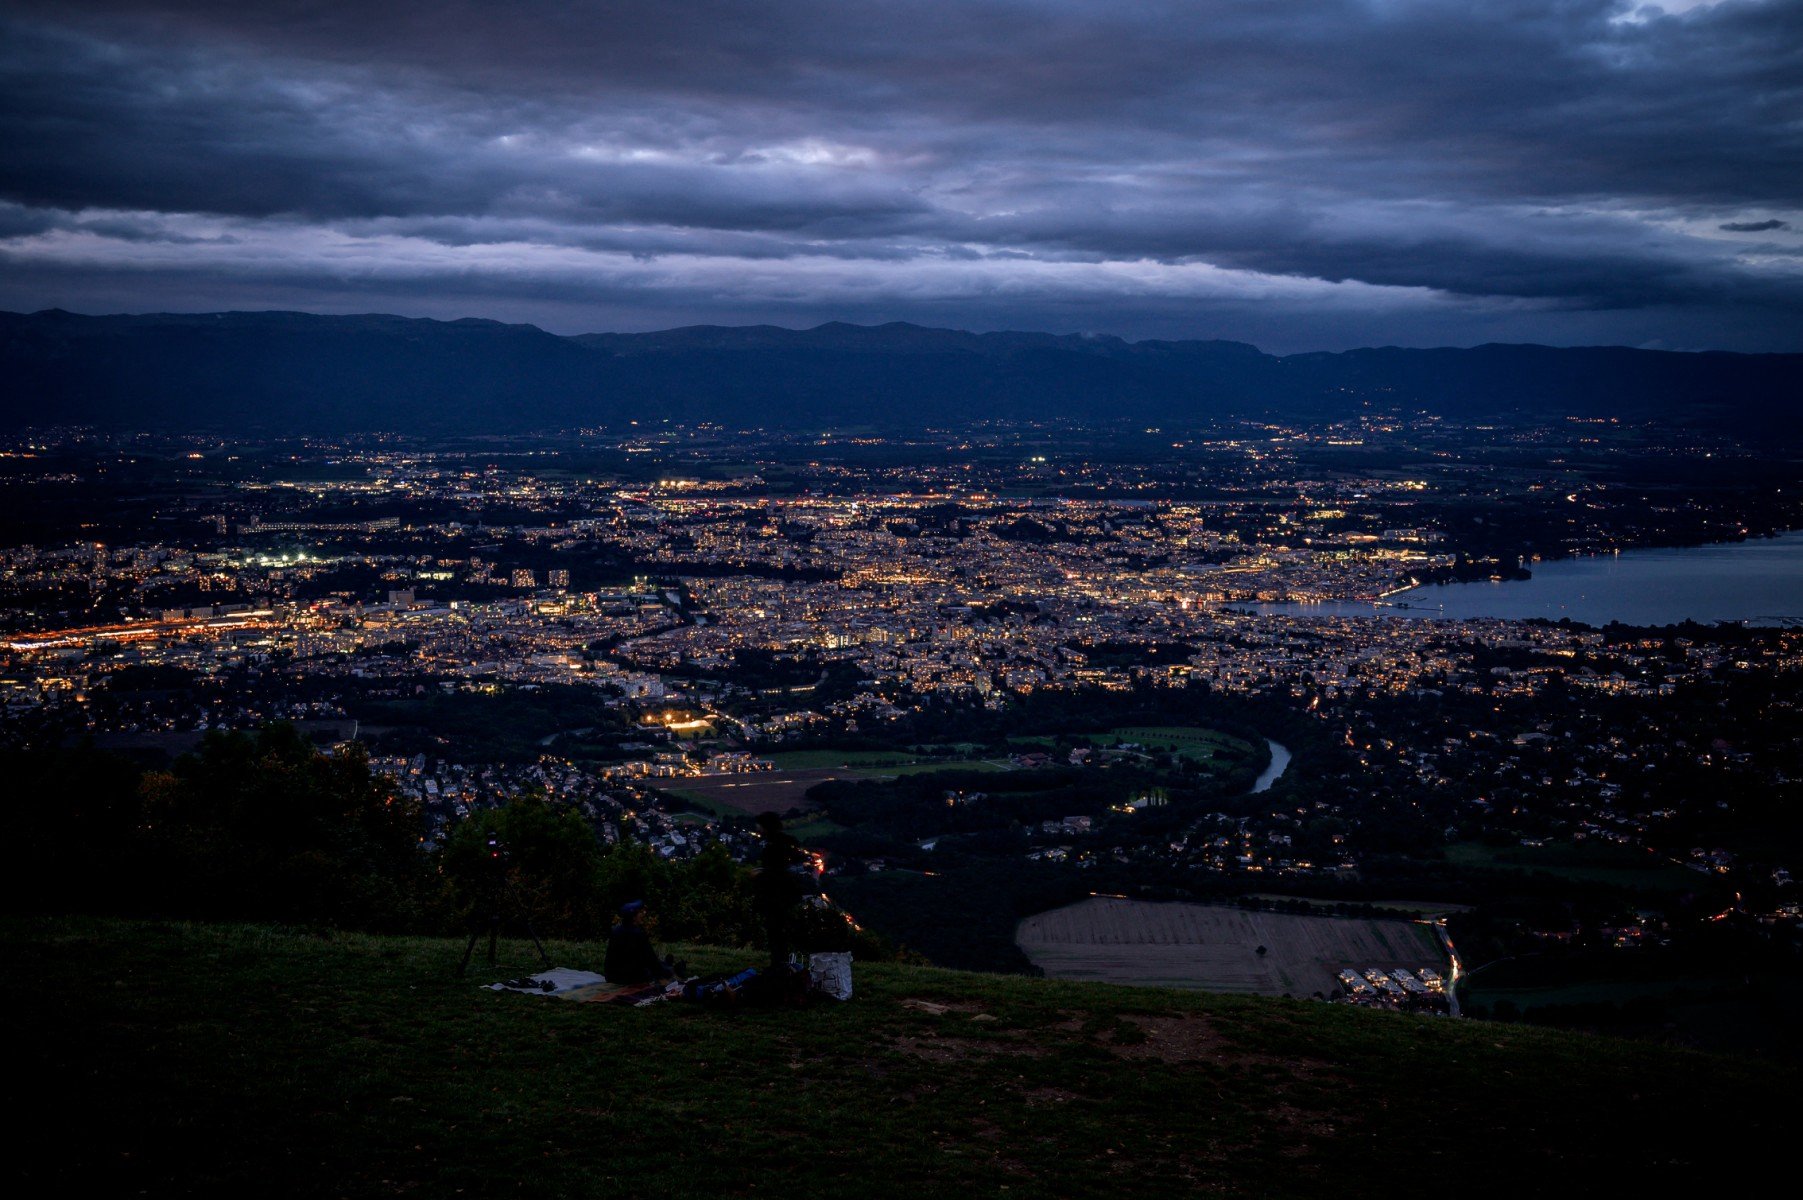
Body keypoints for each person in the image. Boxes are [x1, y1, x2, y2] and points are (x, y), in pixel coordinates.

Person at [752, 811, 810, 971]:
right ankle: (781, 962)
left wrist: (760, 873)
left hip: (776, 894)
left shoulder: (773, 845)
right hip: (786, 893)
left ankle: (779, 964)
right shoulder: (784, 841)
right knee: (779, 929)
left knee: (775, 929)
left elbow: (775, 871)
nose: (756, 827)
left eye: (759, 824)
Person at [604, 900, 675, 986]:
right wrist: (665, 974)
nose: (643, 914)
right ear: (633, 917)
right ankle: (668, 966)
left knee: (661, 965)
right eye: (640, 913)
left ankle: (666, 964)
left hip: (613, 977)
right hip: (632, 978)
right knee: (666, 969)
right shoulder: (638, 934)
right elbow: (651, 960)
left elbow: (609, 960)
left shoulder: (615, 931)